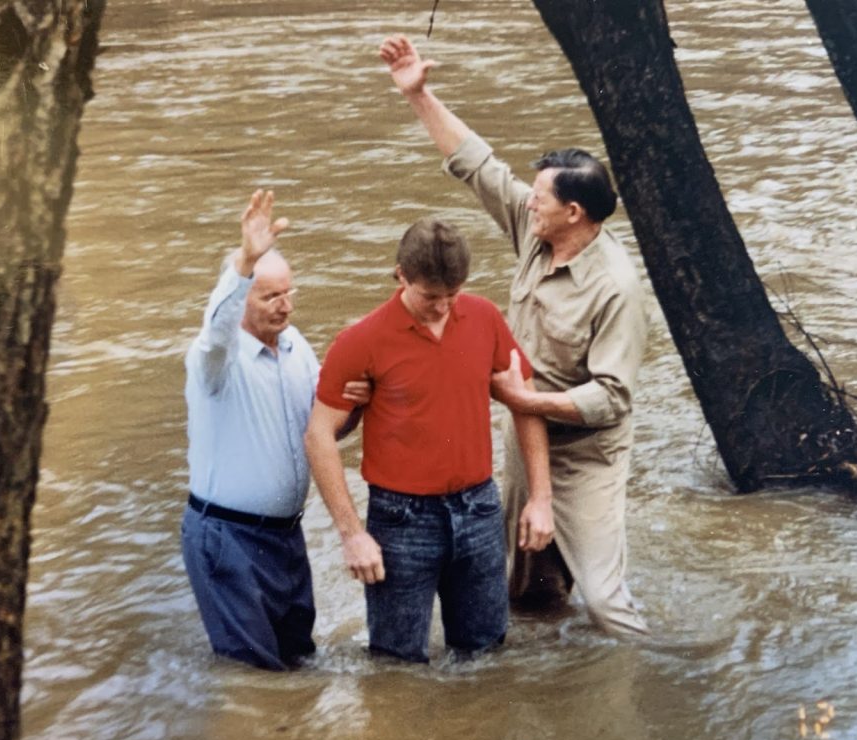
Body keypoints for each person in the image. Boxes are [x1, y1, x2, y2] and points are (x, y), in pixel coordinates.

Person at [379, 34, 649, 637]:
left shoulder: (617, 287)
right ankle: (546, 681)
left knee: (605, 602)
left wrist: (525, 399)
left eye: (541, 198)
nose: (529, 204)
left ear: (574, 213)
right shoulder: (537, 228)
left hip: (587, 450)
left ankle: (653, 673)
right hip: (525, 434)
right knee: (526, 592)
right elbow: (477, 165)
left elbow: (612, 397)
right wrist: (418, 95)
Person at [304, 216, 554, 663]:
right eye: (430, 297)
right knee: (396, 663)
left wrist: (541, 498)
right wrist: (352, 535)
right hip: (401, 519)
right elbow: (318, 436)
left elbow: (525, 402)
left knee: (486, 656)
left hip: (478, 508)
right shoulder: (361, 340)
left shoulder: (484, 317)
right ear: (401, 276)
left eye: (452, 295)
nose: (442, 308)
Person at [182, 189, 366, 670]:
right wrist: (245, 261)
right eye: (270, 297)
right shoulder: (215, 359)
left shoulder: (295, 346)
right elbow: (217, 329)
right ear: (243, 297)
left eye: (289, 294)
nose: (285, 307)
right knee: (253, 673)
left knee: (299, 663)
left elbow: (322, 432)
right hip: (227, 537)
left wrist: (357, 405)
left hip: (286, 536)